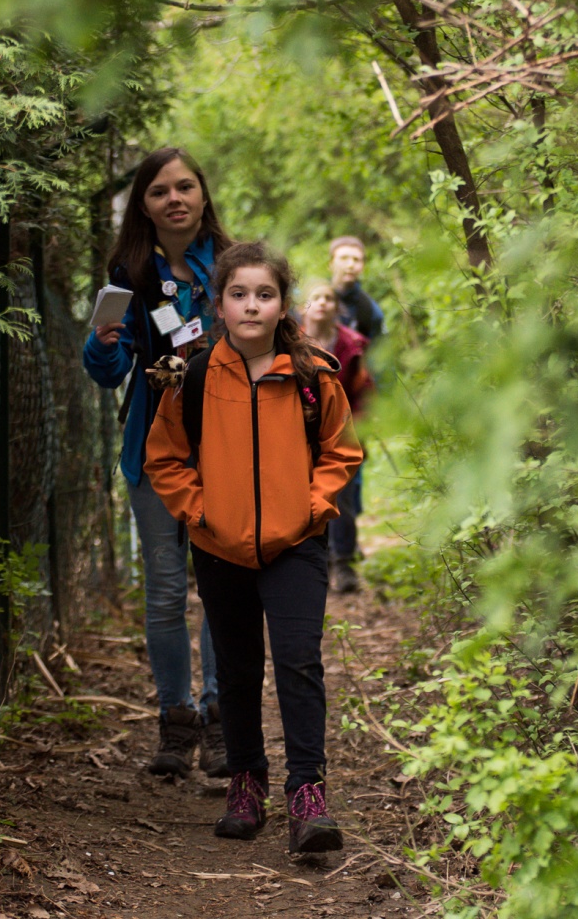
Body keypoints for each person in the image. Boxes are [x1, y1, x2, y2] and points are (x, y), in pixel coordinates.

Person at [143, 242, 363, 853]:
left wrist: (313, 508)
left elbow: (342, 451)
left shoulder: (313, 374)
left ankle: (306, 798)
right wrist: (201, 511)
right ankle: (246, 788)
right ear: (219, 304)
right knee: (237, 672)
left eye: (264, 295)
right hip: (220, 547)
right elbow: (164, 458)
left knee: (299, 664)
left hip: (298, 546)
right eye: (238, 294)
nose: (251, 305)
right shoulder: (192, 378)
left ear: (281, 305)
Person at [82, 147, 228, 780]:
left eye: (185, 186)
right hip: (154, 450)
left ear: (202, 194)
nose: (175, 198)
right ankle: (178, 719)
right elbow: (112, 375)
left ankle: (224, 717)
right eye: (160, 191)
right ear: (143, 205)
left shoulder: (230, 265)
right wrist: (102, 344)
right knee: (167, 591)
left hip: (226, 449)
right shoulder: (129, 274)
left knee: (222, 590)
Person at [301, 282, 374, 593]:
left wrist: (361, 430)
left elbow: (363, 391)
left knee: (341, 499)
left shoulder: (352, 343)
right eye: (315, 297)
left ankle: (344, 564)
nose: (322, 303)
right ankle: (313, 565)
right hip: (299, 433)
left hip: (342, 431)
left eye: (328, 298)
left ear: (336, 307)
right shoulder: (288, 341)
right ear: (304, 305)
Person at [327, 236, 385, 340]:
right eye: (344, 258)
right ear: (331, 263)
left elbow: (376, 353)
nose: (350, 265)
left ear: (363, 266)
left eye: (356, 260)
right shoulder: (310, 298)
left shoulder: (370, 311)